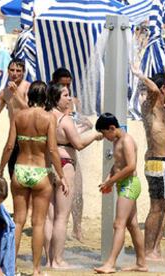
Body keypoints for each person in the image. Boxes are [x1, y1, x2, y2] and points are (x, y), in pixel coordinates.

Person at [0, 81, 68, 276]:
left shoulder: (19, 116)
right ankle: (36, 269)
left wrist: (1, 168)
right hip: (40, 171)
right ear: (45, 97)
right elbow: (53, 150)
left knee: (18, 221)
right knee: (38, 222)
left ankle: (11, 267)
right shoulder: (49, 118)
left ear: (29, 97)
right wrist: (61, 176)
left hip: (20, 169)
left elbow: (9, 146)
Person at [44, 83, 102, 268]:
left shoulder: (46, 115)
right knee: (62, 216)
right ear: (56, 98)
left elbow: (63, 139)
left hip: (48, 165)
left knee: (49, 217)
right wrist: (94, 135)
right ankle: (58, 260)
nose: (69, 98)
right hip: (65, 165)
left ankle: (48, 258)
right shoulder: (64, 120)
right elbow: (77, 144)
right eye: (66, 95)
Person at [132, 66, 165, 261]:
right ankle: (147, 251)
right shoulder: (150, 104)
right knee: (157, 207)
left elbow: (164, 132)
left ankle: (156, 247)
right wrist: (139, 74)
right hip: (156, 162)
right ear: (162, 88)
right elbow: (152, 90)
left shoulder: (163, 109)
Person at [94, 113, 148, 274]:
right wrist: (107, 179)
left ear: (112, 128)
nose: (105, 138)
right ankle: (141, 263)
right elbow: (117, 164)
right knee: (132, 225)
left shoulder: (127, 140)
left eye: (105, 134)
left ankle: (110, 264)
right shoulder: (117, 140)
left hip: (130, 184)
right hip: (123, 184)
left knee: (119, 224)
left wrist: (111, 181)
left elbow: (131, 166)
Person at [52, 67, 93, 242]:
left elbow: (83, 121)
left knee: (78, 192)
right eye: (63, 85)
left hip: (71, 150)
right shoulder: (52, 106)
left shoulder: (75, 101)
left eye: (68, 84)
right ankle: (63, 228)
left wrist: (85, 125)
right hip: (62, 151)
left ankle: (77, 227)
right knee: (61, 196)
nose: (67, 88)